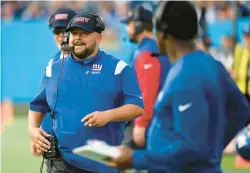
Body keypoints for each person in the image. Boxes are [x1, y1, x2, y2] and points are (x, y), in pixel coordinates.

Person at [109, 1, 250, 173]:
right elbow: (241, 109)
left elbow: (190, 149)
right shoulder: (210, 63)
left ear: (163, 34)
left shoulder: (186, 75)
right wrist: (212, 148)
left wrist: (135, 158)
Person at [28, 12, 144, 173]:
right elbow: (38, 105)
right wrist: (33, 129)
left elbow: (137, 107)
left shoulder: (119, 68)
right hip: (62, 161)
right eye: (74, 33)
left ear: (98, 37)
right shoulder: (54, 68)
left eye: (84, 33)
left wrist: (108, 115)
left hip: (103, 161)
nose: (78, 38)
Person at [121, 5, 170, 148]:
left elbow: (148, 90)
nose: (127, 28)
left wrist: (141, 123)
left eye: (129, 24)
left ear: (138, 24)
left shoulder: (147, 52)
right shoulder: (154, 48)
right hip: (159, 120)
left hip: (152, 122)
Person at [30, 8, 77, 157]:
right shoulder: (54, 61)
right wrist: (38, 133)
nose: (61, 35)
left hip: (80, 146)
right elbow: (44, 102)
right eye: (57, 32)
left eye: (65, 30)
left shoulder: (89, 61)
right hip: (56, 146)